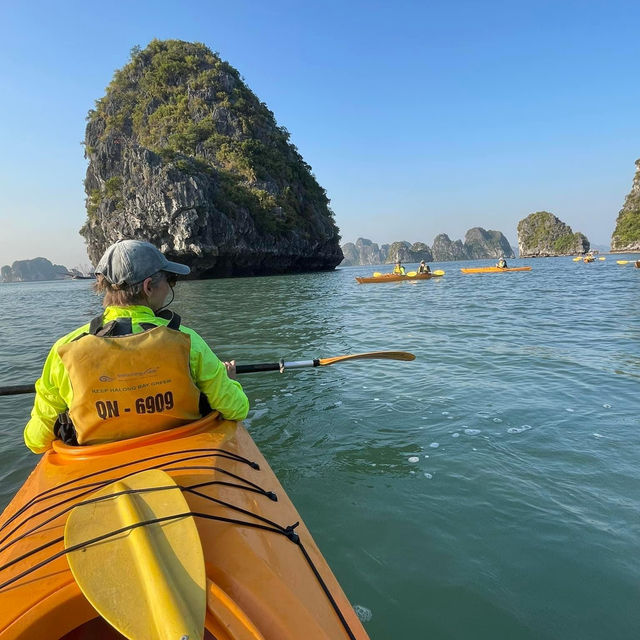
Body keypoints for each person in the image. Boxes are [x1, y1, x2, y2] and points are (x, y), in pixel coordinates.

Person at [24, 239, 249, 453]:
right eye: (170, 281)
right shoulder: (188, 341)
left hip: (101, 470)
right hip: (182, 456)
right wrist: (229, 381)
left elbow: (36, 441)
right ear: (149, 286)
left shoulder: (64, 350)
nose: (170, 288)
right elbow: (237, 408)